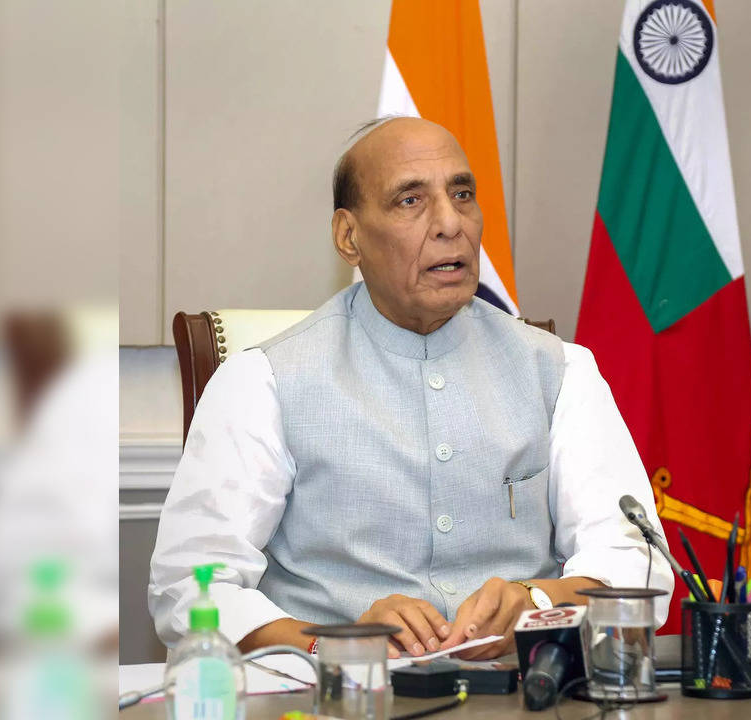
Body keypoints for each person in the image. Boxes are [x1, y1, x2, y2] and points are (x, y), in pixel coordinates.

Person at [149, 117, 673, 661]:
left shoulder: (560, 370)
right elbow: (188, 585)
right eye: (410, 201)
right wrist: (332, 642)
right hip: (337, 695)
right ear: (348, 237)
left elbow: (638, 559)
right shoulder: (263, 381)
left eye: (462, 194)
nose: (451, 223)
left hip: (519, 692)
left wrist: (536, 600)